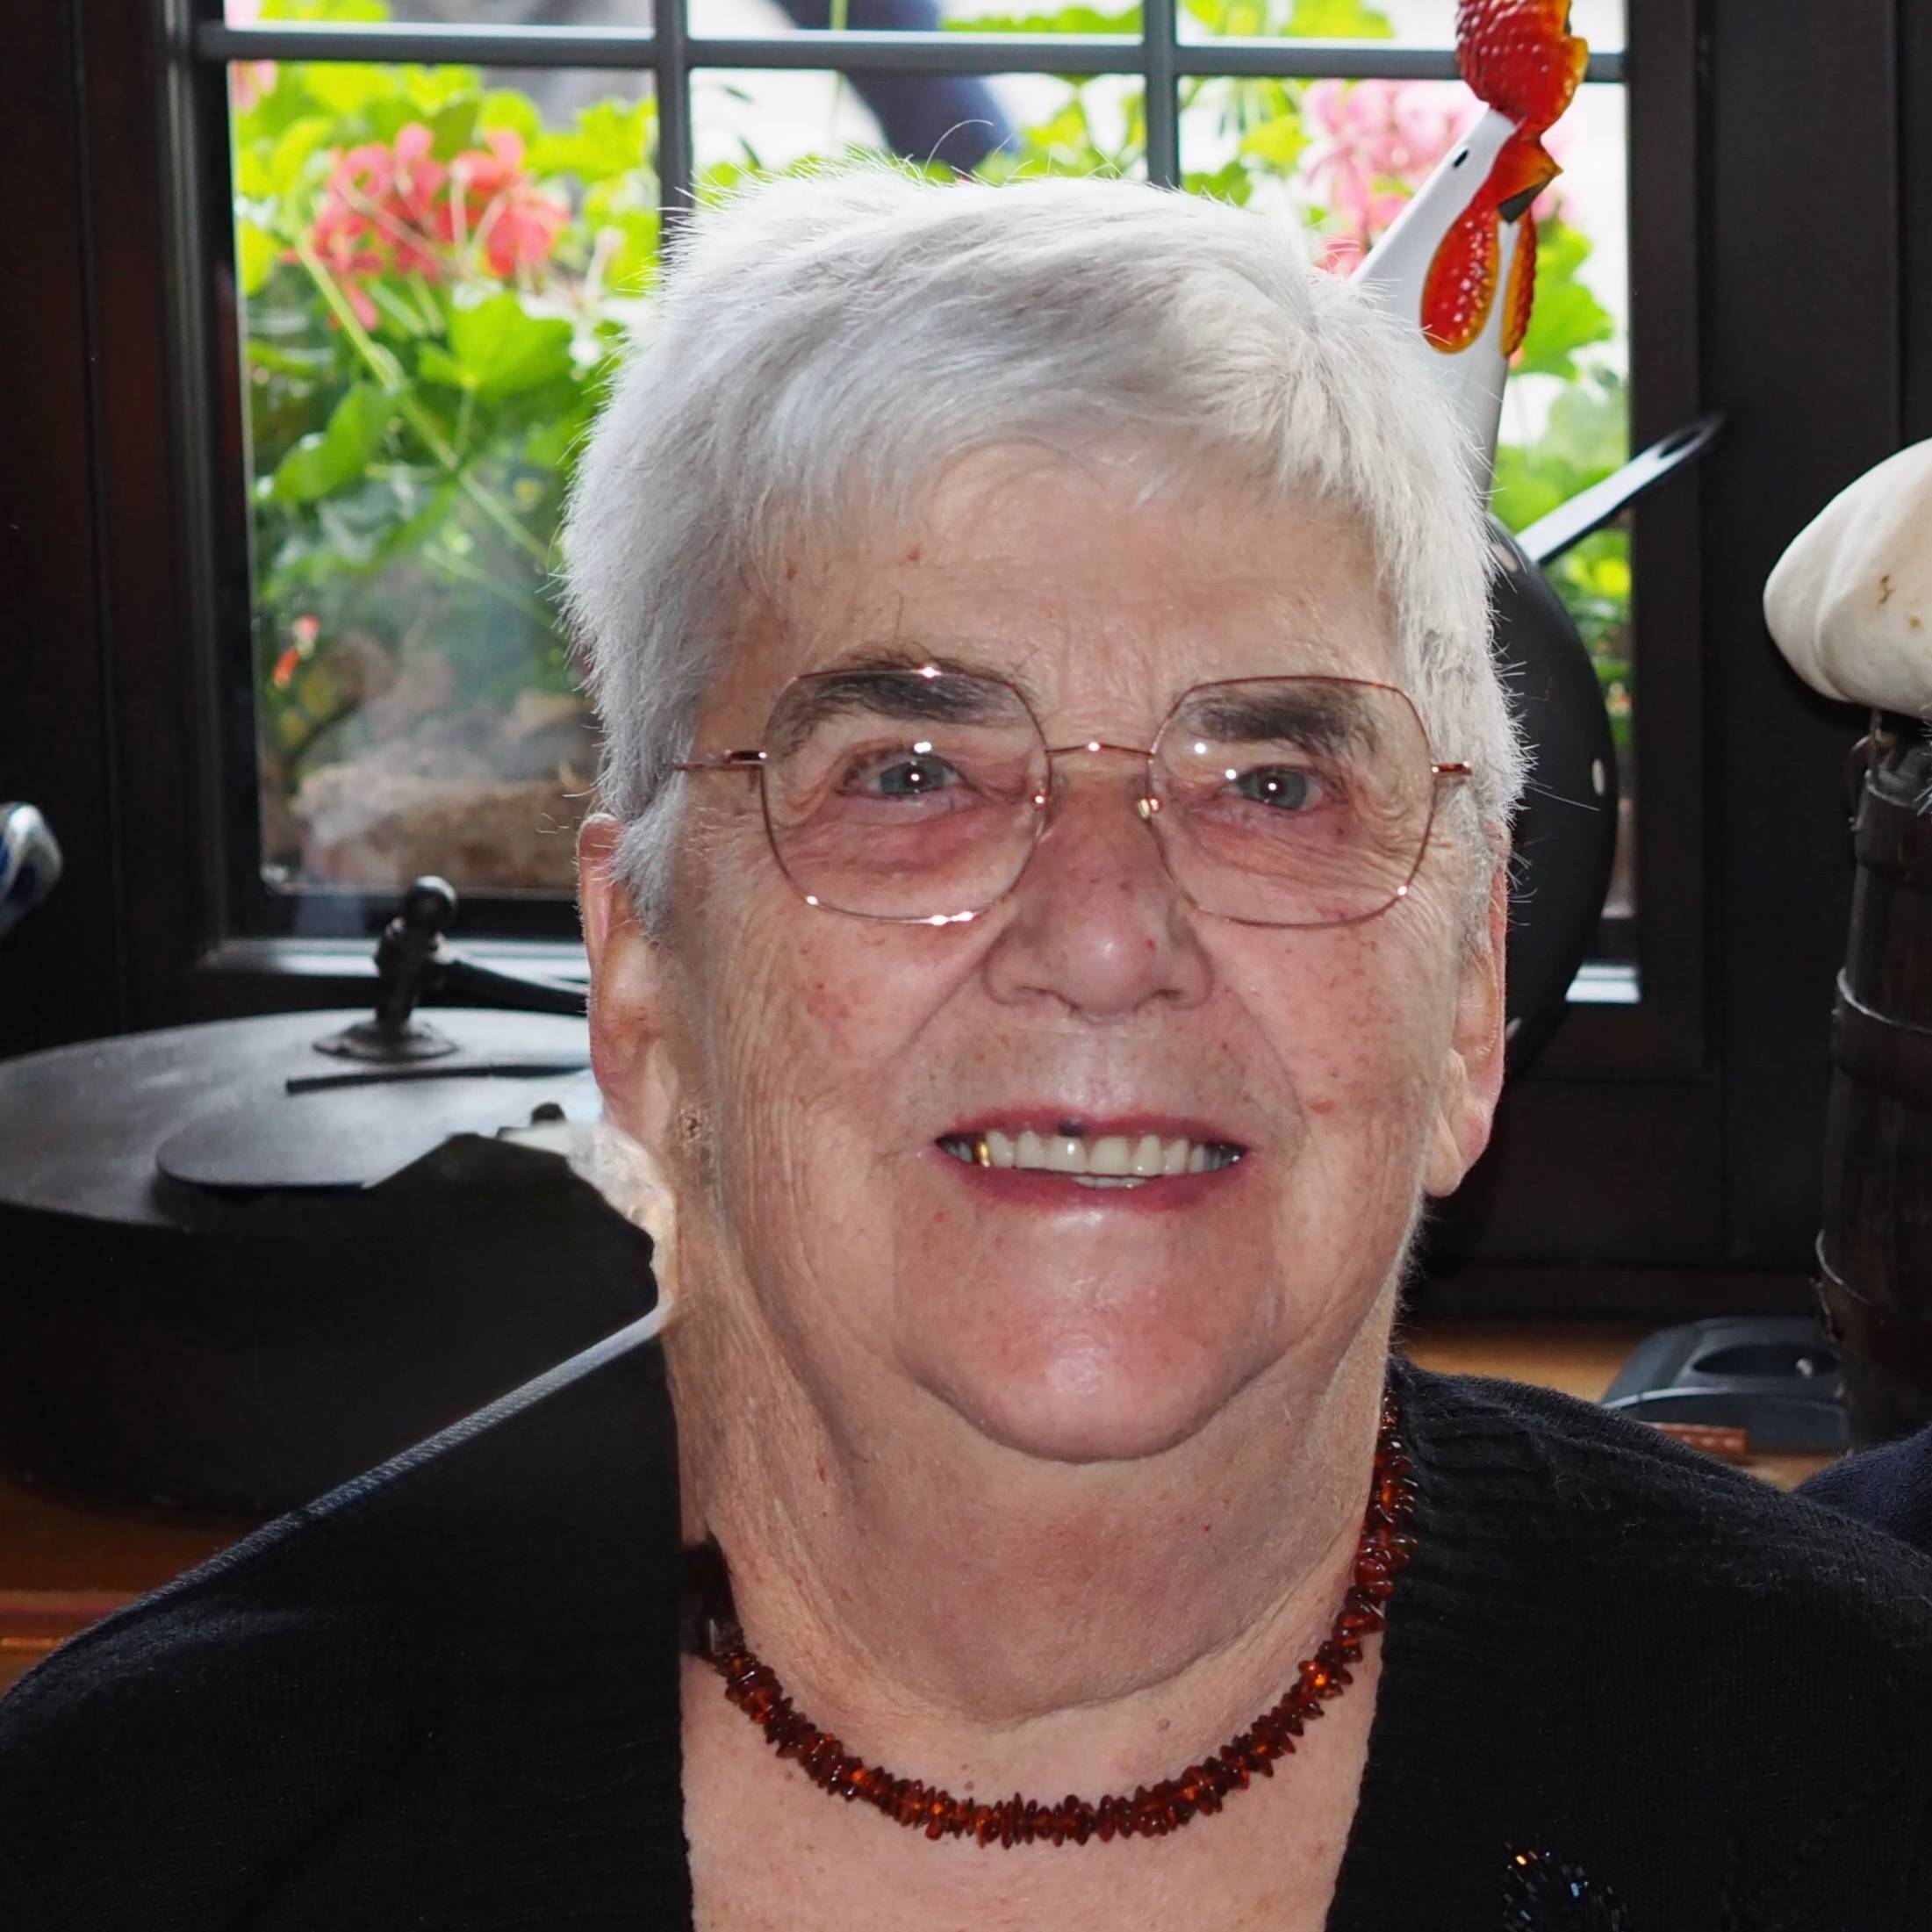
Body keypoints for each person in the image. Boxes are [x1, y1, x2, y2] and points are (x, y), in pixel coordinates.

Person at [4, 167, 1932, 1932]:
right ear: (643, 983)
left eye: (1270, 781)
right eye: (911, 772)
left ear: (1466, 1002)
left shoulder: (1861, 1767)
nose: (1103, 936)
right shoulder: (131, 1847)